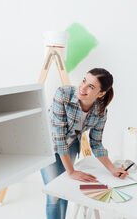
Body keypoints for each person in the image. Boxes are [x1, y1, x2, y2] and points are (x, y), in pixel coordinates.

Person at [41, 68, 128, 219]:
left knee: (64, 190)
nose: (83, 87)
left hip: (72, 144)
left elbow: (96, 143)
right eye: (84, 81)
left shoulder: (101, 111)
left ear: (101, 93)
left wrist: (113, 169)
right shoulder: (63, 94)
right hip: (47, 144)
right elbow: (59, 138)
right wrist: (71, 172)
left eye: (91, 86)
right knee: (54, 194)